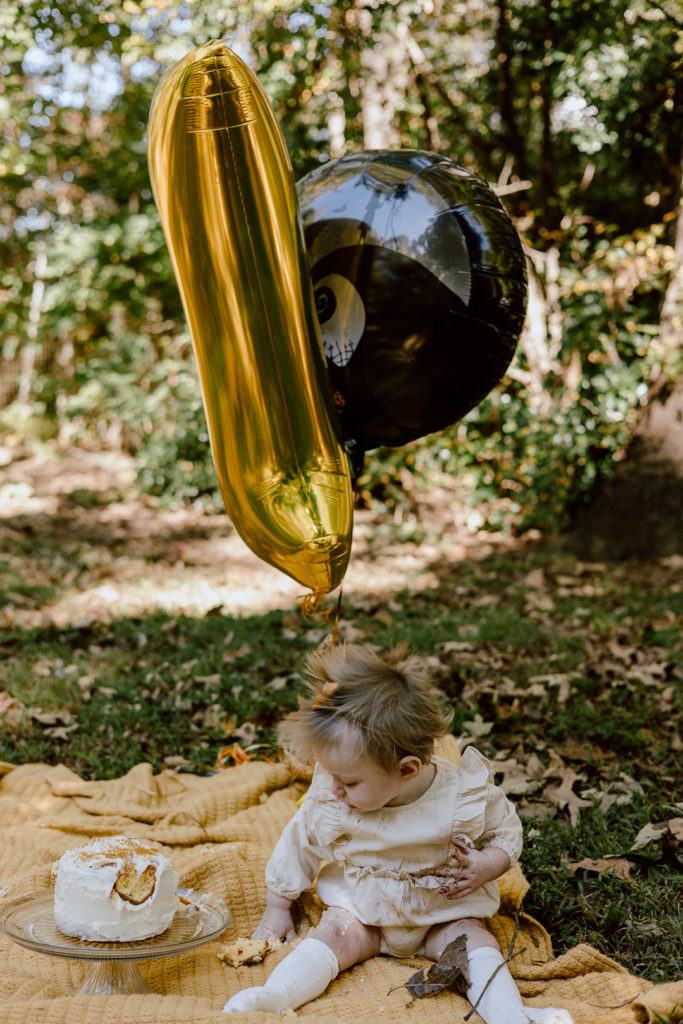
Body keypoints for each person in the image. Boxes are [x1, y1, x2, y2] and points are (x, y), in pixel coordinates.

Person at [224, 642, 573, 1023]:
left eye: (349, 781)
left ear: (406, 770)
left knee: (473, 939)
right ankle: (276, 995)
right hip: (362, 909)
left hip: (442, 912)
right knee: (334, 934)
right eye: (332, 776)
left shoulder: (461, 797)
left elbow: (506, 830)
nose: (335, 789)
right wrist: (278, 905)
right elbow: (299, 842)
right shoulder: (336, 798)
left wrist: (489, 864)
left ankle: (511, 1015)